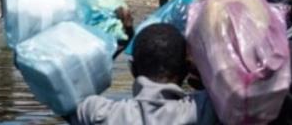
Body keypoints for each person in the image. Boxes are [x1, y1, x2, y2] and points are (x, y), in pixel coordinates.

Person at [69, 23, 219, 125]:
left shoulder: (103, 114)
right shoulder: (205, 110)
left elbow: (67, 95)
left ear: (133, 69)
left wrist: (117, 47)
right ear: (187, 69)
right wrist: (204, 74)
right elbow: (234, 84)